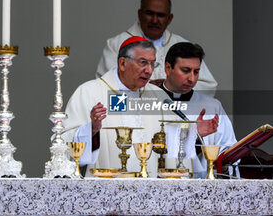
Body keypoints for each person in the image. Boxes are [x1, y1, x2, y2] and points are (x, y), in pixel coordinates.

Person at [61, 37, 218, 177]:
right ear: (123, 63)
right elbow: (64, 147)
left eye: (152, 63)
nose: (149, 70)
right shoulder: (89, 92)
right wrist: (92, 130)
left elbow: (172, 148)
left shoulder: (159, 97)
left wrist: (194, 134)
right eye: (143, 62)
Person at [95, 0, 217, 96]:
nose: (154, 20)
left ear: (169, 19)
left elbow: (208, 86)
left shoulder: (182, 45)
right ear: (139, 14)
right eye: (149, 13)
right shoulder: (116, 44)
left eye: (161, 15)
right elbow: (107, 84)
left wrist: (173, 88)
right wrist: (150, 89)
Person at [161, 42, 238, 178]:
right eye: (185, 71)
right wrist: (195, 134)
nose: (192, 78)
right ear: (168, 68)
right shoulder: (149, 102)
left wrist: (224, 164)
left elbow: (228, 148)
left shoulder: (212, 106)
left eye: (196, 71)